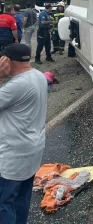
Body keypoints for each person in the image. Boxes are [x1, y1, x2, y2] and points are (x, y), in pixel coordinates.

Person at [0, 43, 48, 224]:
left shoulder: (16, 86)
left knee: (4, 202)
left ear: (9, 62)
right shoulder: (39, 76)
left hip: (14, 154)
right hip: (33, 148)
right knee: (22, 198)